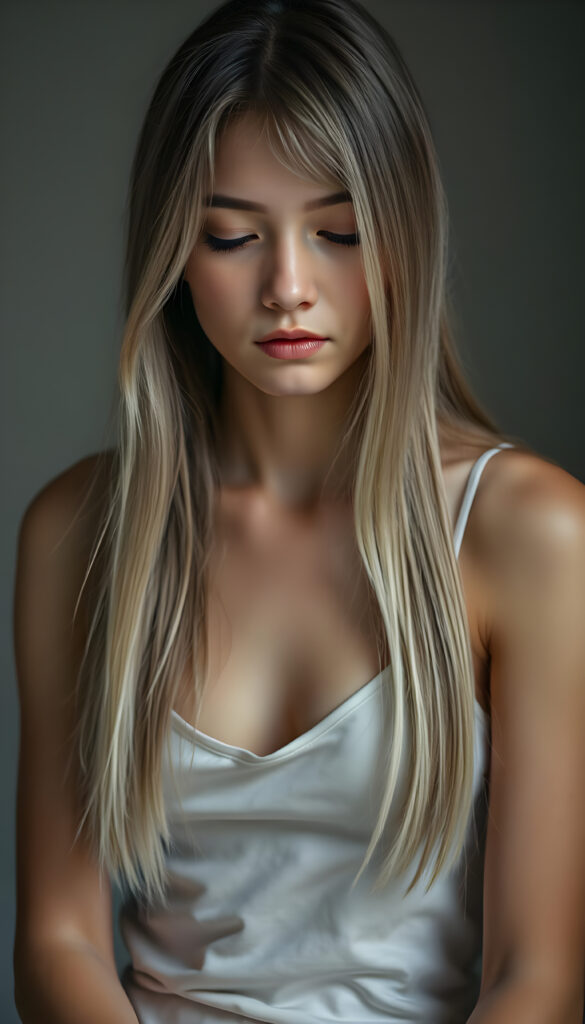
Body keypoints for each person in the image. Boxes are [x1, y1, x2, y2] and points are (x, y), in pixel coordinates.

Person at [12, 0, 585, 1021]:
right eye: (231, 236)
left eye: (339, 231)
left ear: (403, 235)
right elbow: (60, 942)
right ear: (172, 251)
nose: (288, 286)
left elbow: (537, 977)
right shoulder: (77, 534)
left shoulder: (531, 533)